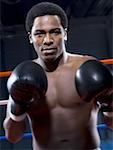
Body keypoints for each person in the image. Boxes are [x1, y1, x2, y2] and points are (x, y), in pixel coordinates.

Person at [3, 2, 113, 150]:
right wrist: (17, 109)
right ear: (30, 37)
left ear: (65, 34)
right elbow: (12, 136)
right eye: (39, 34)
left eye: (55, 32)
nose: (48, 40)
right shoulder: (23, 77)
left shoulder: (87, 67)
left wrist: (109, 103)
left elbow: (111, 123)